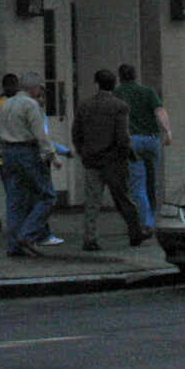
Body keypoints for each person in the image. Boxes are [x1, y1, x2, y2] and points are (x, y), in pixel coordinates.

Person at [72, 68, 148, 251]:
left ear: (96, 84)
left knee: (92, 201)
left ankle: (90, 238)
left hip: (92, 160)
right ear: (113, 85)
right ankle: (135, 232)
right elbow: (122, 135)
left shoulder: (84, 105)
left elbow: (76, 133)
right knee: (123, 197)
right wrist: (124, 154)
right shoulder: (119, 106)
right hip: (113, 160)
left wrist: (83, 152)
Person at [0, 73, 59, 258]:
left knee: (15, 200)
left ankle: (13, 244)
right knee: (47, 195)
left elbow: (0, 133)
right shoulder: (31, 105)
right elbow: (41, 134)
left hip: (8, 153)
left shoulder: (4, 104)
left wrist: (0, 151)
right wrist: (53, 155)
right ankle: (28, 234)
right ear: (36, 88)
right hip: (27, 151)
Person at [114, 62, 170, 231]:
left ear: (120, 76)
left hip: (132, 142)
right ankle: (152, 216)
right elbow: (159, 111)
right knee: (152, 182)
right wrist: (167, 131)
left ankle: (145, 221)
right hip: (152, 140)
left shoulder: (117, 94)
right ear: (135, 75)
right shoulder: (148, 92)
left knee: (137, 183)